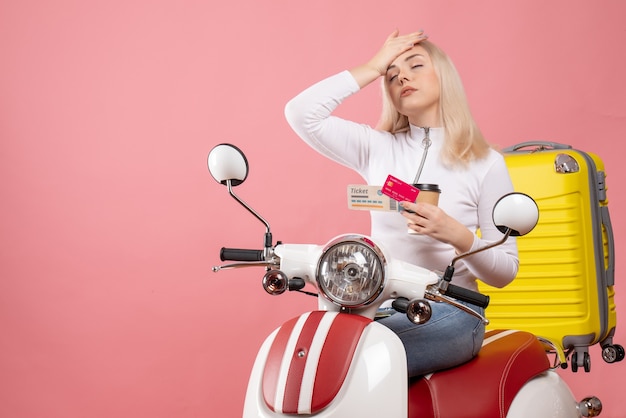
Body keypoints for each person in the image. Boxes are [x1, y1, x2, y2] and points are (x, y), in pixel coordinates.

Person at [284, 29, 519, 377]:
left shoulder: (486, 163)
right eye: (392, 76)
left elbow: (505, 272)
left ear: (445, 77)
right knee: (313, 349)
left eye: (416, 65)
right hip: (377, 307)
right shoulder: (376, 148)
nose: (402, 76)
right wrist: (372, 66)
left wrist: (456, 234)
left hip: (452, 310)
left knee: (353, 359)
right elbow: (301, 113)